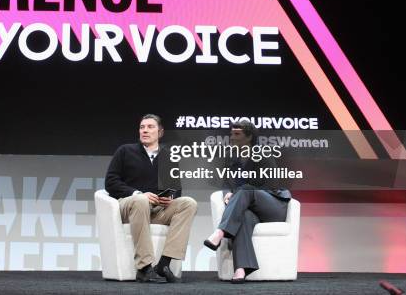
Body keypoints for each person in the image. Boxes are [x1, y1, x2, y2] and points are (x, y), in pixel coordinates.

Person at [105, 114, 197, 283]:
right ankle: (144, 267)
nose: (145, 130)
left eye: (150, 127)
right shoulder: (125, 151)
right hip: (128, 206)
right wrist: (138, 194)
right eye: (142, 127)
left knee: (188, 203)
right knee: (141, 201)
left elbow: (176, 189)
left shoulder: (168, 156)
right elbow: (111, 182)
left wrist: (170, 198)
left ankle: (164, 263)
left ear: (160, 132)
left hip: (155, 209)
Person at [203, 120, 291, 283]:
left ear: (249, 137)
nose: (232, 137)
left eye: (237, 134)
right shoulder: (231, 157)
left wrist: (240, 194)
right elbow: (226, 183)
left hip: (272, 207)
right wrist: (228, 193)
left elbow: (272, 185)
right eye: (231, 133)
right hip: (250, 210)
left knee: (246, 189)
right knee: (242, 219)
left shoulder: (263, 153)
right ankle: (241, 269)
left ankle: (220, 232)